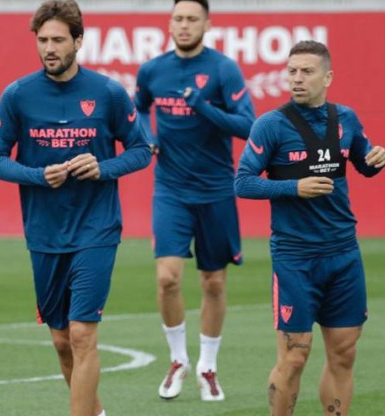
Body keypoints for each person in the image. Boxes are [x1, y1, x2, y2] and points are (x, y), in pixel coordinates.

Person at [0, 1, 151, 414]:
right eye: (42, 40)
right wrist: (38, 176)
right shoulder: (18, 95)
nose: (49, 48)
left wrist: (102, 167)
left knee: (81, 334)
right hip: (43, 231)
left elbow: (142, 149)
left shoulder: (108, 92)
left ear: (79, 40)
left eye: (58, 39)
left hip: (96, 228)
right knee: (61, 341)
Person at [234, 40, 385, 415]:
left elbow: (364, 163)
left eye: (306, 72)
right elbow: (242, 182)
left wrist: (378, 159)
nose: (297, 79)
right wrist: (293, 187)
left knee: (344, 352)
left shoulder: (346, 119)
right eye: (292, 71)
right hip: (295, 256)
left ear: (328, 77)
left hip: (343, 253)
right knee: (295, 357)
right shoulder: (271, 124)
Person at [134, 0, 255, 401]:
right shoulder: (153, 70)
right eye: (178, 19)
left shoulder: (223, 69)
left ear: (206, 24)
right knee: (167, 278)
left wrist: (202, 106)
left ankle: (207, 366)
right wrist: (147, 138)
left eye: (192, 19)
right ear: (169, 23)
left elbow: (248, 124)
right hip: (170, 190)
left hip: (216, 189)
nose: (184, 25)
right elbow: (135, 112)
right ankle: (177, 360)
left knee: (213, 282)